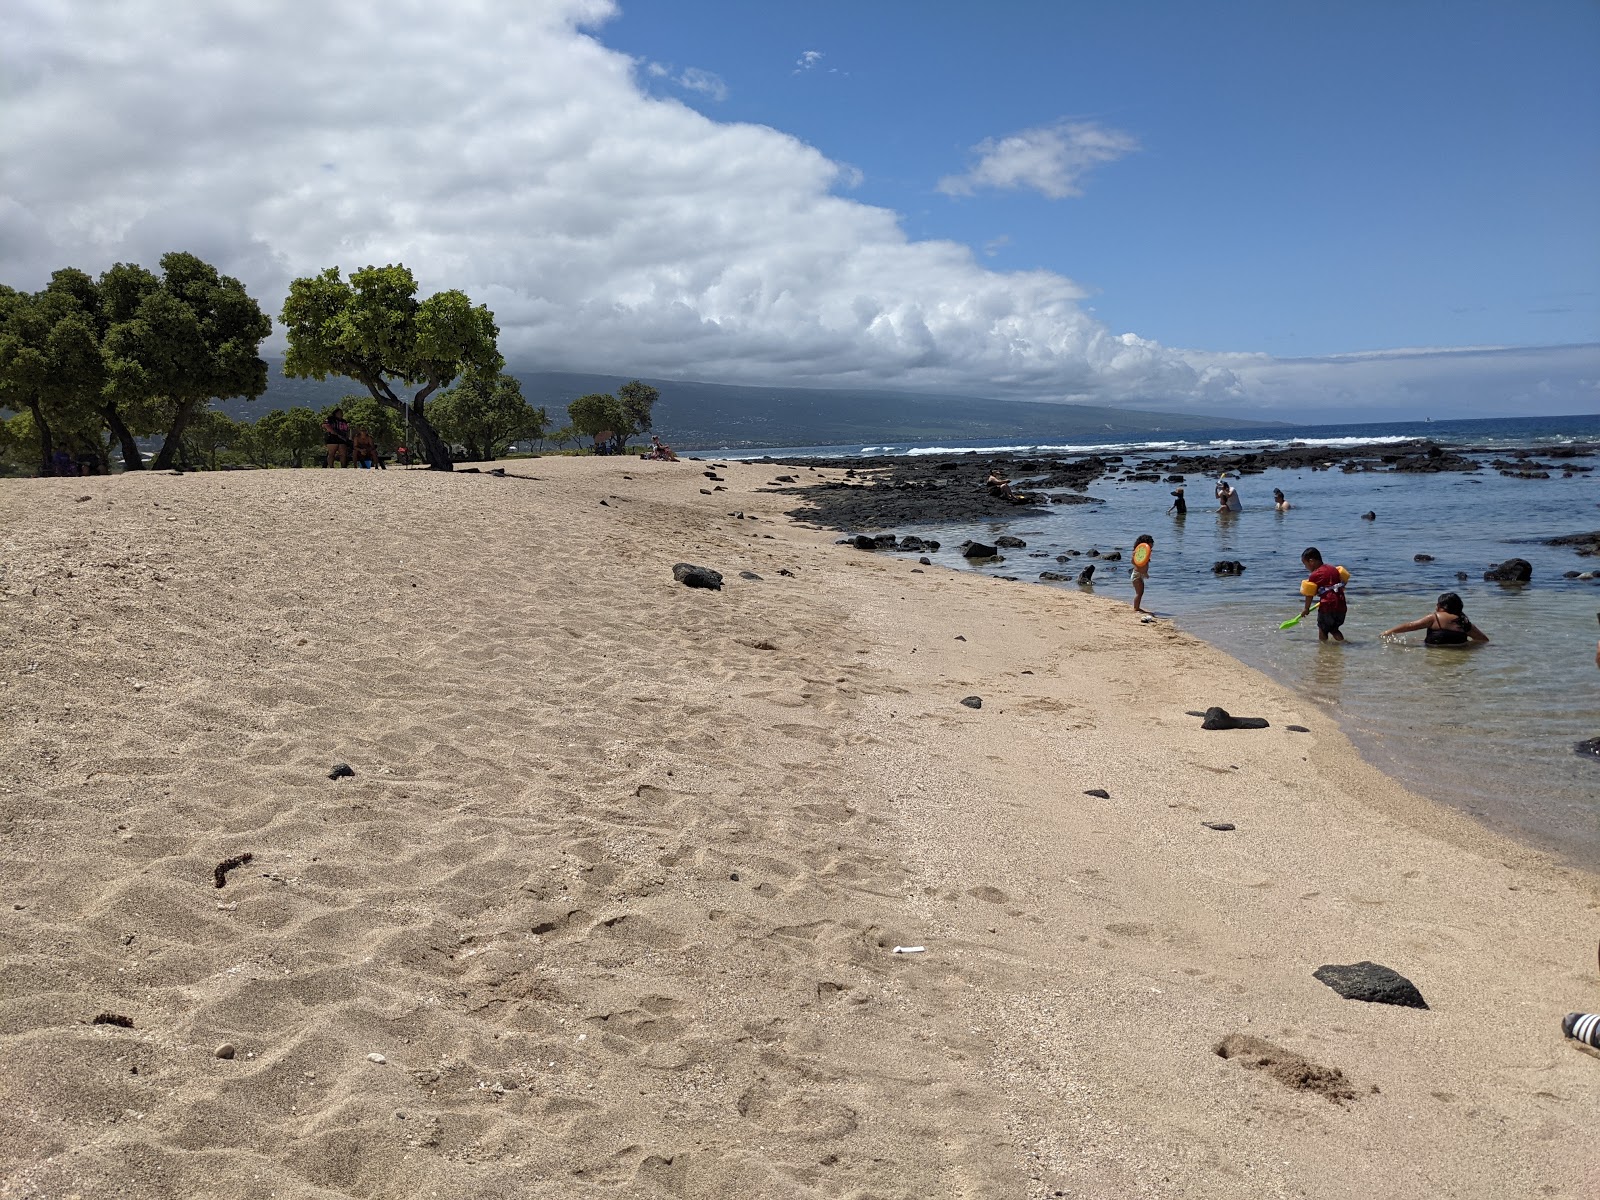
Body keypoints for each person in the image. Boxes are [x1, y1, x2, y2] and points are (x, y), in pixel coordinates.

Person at [1382, 593, 1489, 646]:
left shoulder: (1435, 617)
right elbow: (1483, 640)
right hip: (1458, 653)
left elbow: (1410, 626)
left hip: (1435, 651)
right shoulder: (1463, 621)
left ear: (1441, 606)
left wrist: (1387, 632)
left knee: (1409, 642)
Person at [1299, 547, 1348, 642]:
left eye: (1305, 565)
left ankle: (1323, 650)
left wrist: (1306, 609)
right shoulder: (1334, 569)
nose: (1306, 568)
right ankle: (1344, 645)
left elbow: (1309, 594)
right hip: (1341, 605)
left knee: (1323, 629)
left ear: (1311, 561)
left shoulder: (1315, 575)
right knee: (1334, 629)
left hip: (1328, 606)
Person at [1130, 534, 1154, 614]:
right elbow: (1133, 562)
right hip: (1137, 575)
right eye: (1150, 547)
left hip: (1140, 575)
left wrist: (1145, 573)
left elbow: (1144, 565)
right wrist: (1133, 557)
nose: (1150, 549)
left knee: (1141, 592)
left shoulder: (1146, 554)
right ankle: (1136, 608)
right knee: (1139, 592)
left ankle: (1137, 607)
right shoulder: (1138, 552)